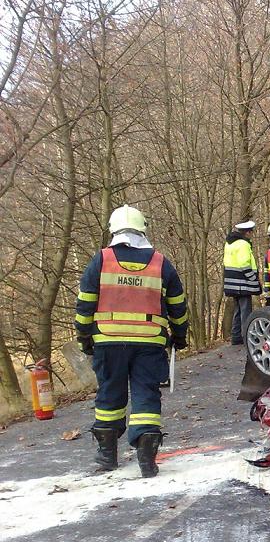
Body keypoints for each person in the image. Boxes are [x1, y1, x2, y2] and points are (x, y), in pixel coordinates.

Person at [74, 205, 188, 478]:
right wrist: (180, 335)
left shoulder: (101, 260)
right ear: (142, 229)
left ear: (113, 230)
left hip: (108, 341)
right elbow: (177, 305)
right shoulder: (161, 263)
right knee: (146, 395)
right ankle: (147, 459)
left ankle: (107, 456)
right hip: (149, 343)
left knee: (109, 394)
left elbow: (85, 303)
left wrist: (84, 336)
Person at [223, 220, 261, 343]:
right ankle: (247, 337)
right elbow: (244, 264)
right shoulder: (243, 244)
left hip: (231, 282)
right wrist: (253, 278)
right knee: (245, 310)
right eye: (251, 232)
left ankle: (236, 337)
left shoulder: (229, 243)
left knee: (237, 310)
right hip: (242, 283)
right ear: (247, 233)